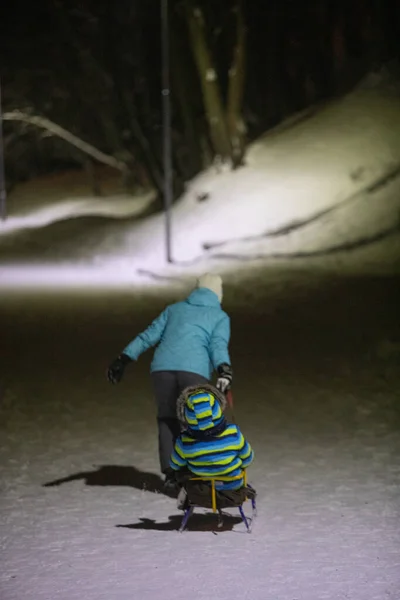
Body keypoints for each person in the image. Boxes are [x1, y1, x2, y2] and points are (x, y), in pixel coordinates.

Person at [107, 273, 233, 494]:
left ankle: (172, 474)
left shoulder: (174, 309)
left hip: (162, 370)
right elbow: (218, 345)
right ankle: (198, 475)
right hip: (193, 372)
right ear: (218, 293)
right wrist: (224, 369)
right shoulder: (219, 316)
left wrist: (123, 359)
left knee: (167, 418)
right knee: (198, 421)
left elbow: (148, 336)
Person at [170, 383, 254, 508]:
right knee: (237, 461)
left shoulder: (184, 441)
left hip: (202, 491)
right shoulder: (233, 433)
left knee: (183, 470)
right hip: (232, 489)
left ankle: (185, 496)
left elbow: (174, 464)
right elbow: (248, 458)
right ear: (217, 409)